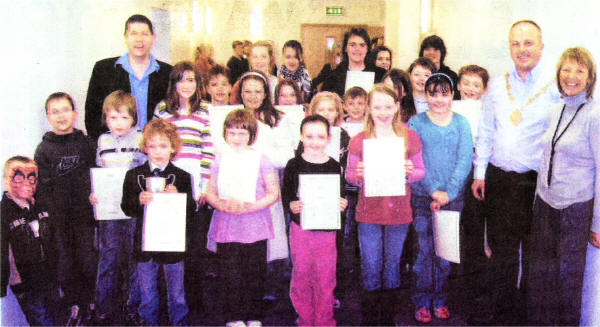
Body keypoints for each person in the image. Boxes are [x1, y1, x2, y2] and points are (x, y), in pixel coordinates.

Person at [469, 20, 560, 325]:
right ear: (509, 47)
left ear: (541, 46)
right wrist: (480, 173)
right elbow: (485, 131)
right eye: (516, 44)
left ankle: (529, 316)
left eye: (528, 43)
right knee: (501, 252)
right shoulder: (496, 84)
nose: (522, 50)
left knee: (533, 254)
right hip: (498, 179)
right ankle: (502, 314)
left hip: (534, 184)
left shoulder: (555, 86)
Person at [526, 47, 599, 325]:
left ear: (590, 78)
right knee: (539, 280)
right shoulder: (554, 108)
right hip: (545, 205)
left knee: (567, 282)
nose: (572, 76)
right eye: (566, 69)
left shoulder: (595, 115)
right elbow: (546, 157)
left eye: (580, 71)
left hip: (575, 209)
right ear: (559, 74)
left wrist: (597, 223)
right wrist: (537, 200)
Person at [346, 85, 425, 325]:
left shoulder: (409, 137)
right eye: (377, 106)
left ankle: (388, 319)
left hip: (399, 212)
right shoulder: (359, 140)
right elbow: (349, 175)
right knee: (370, 265)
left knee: (393, 265)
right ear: (369, 108)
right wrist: (358, 175)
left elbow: (421, 170)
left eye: (388, 106)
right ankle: (370, 320)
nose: (383, 112)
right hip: (369, 212)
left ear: (397, 107)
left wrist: (410, 173)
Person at [205, 109, 280, 327]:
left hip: (255, 224)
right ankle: (233, 317)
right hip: (227, 224)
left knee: (254, 273)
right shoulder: (219, 159)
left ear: (252, 134)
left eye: (242, 133)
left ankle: (254, 315)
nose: (236, 138)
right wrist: (221, 205)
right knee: (230, 274)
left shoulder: (261, 159)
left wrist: (251, 206)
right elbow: (210, 192)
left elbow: (274, 192)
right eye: (231, 133)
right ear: (224, 134)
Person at [408, 73, 473, 323]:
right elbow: (415, 160)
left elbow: (464, 160)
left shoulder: (462, 123)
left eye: (444, 93)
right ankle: (422, 300)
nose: (438, 99)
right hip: (423, 198)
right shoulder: (416, 123)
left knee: (444, 253)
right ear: (426, 96)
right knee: (424, 252)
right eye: (433, 93)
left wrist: (449, 193)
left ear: (452, 95)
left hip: (453, 200)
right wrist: (434, 190)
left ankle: (440, 299)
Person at [121, 119, 195, 326]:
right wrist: (139, 200)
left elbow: (192, 210)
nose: (157, 151)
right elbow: (126, 207)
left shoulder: (182, 177)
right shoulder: (133, 176)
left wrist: (180, 196)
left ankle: (179, 323)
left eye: (163, 146)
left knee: (177, 294)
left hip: (173, 245)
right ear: (145, 148)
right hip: (144, 245)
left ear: (173, 147)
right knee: (148, 295)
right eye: (152, 146)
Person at [154, 61, 215, 312]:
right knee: (170, 244)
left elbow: (208, 151)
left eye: (191, 80)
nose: (186, 85)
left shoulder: (206, 110)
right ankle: (171, 302)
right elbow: (155, 146)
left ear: (197, 84)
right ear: (174, 83)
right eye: (181, 79)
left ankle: (196, 303)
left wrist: (203, 186)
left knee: (195, 246)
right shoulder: (162, 110)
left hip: (197, 183)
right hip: (170, 183)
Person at [34, 92, 97, 325]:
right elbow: (41, 189)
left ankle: (88, 305)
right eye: (55, 111)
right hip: (59, 221)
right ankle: (72, 308)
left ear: (75, 113)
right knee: (64, 266)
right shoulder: (44, 150)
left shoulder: (87, 143)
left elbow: (97, 178)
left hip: (85, 218)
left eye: (65, 109)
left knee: (88, 261)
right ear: (48, 118)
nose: (61, 115)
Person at [283, 115, 348, 326]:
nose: (314, 141)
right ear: (301, 137)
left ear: (328, 138)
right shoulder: (293, 165)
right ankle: (305, 318)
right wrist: (292, 204)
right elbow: (287, 196)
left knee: (325, 277)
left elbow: (341, 196)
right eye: (309, 136)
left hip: (326, 231)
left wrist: (341, 204)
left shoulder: (334, 166)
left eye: (320, 136)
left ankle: (324, 320)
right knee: (301, 274)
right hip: (300, 229)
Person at [90, 90, 146, 325]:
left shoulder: (141, 139)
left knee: (134, 258)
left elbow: (146, 171)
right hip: (109, 212)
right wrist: (95, 193)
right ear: (106, 118)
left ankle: (133, 307)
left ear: (134, 117)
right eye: (113, 118)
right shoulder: (102, 140)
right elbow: (99, 171)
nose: (118, 123)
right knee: (109, 257)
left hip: (134, 210)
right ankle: (103, 308)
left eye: (124, 117)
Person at [85, 14, 172, 143]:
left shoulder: (168, 72)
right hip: (116, 151)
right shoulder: (103, 69)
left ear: (153, 37)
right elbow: (92, 114)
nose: (139, 39)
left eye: (145, 34)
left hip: (156, 150)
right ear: (125, 37)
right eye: (134, 33)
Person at [1, 156, 60, 326]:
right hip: (26, 282)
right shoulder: (4, 213)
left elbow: (53, 241)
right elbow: (3, 250)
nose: (27, 183)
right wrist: (7, 281)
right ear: (6, 182)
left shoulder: (42, 208)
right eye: (18, 178)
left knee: (56, 314)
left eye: (32, 178)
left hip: (48, 276)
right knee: (41, 319)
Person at [322, 27, 387, 98]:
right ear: (346, 48)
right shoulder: (333, 77)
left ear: (367, 49)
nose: (357, 49)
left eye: (362, 45)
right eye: (352, 45)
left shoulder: (381, 75)